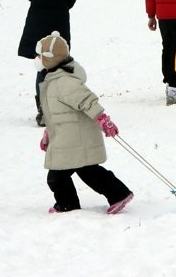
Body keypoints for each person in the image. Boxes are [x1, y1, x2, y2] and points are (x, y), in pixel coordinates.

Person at [37, 32, 134, 214]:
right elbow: (55, 114)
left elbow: (87, 100)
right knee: (86, 171)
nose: (37, 60)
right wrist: (48, 133)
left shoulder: (64, 82)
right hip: (67, 139)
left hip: (76, 139)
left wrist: (102, 119)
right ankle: (116, 194)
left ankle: (69, 204)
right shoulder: (54, 79)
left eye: (40, 56)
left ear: (50, 59)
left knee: (58, 176)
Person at [18, 0, 78, 127]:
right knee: (58, 67)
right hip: (59, 25)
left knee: (42, 66)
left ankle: (43, 109)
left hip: (37, 23)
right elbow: (71, 0)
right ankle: (55, 107)